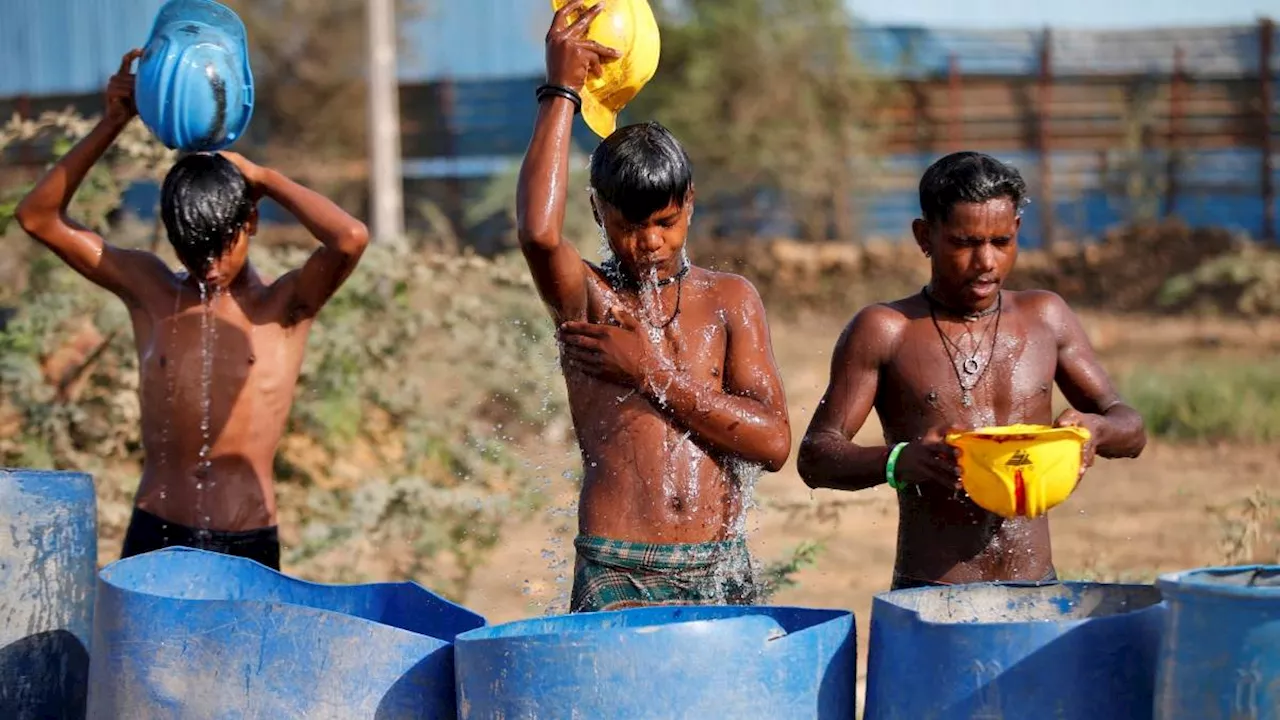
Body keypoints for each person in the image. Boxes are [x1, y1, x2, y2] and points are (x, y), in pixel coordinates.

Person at [15, 50, 370, 570]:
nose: (206, 266)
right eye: (189, 250)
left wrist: (263, 177)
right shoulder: (150, 290)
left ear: (250, 222)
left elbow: (350, 238)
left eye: (219, 247)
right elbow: (38, 217)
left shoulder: (286, 307)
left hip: (247, 542)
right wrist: (112, 122)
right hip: (156, 531)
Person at [520, 0, 791, 612]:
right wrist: (560, 90)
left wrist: (652, 372)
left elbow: (774, 444)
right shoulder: (590, 299)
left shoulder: (729, 300)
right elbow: (537, 234)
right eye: (629, 226)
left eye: (665, 223)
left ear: (690, 202)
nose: (648, 243)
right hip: (618, 563)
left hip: (717, 561)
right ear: (598, 214)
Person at [797, 151, 1146, 591]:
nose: (986, 262)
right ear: (925, 237)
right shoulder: (886, 329)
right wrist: (900, 460)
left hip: (1036, 588)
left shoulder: (1046, 317)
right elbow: (816, 456)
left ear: (1017, 231)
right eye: (965, 243)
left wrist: (1096, 430)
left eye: (1001, 242)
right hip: (932, 591)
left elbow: (1130, 426)